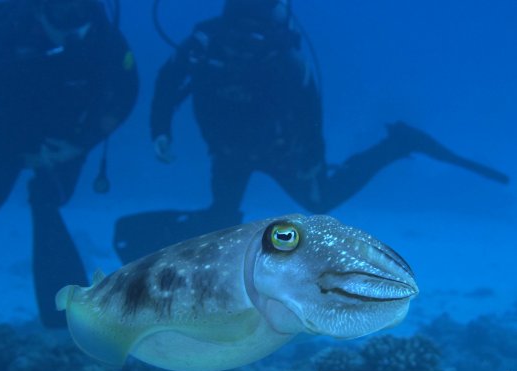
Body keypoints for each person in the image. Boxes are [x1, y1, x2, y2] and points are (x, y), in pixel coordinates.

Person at [148, 0, 508, 229]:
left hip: (279, 151)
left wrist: (310, 159)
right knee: (223, 217)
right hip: (227, 151)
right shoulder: (204, 44)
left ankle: (397, 144)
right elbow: (168, 81)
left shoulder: (286, 58)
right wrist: (160, 129)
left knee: (320, 200)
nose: (245, 41)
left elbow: (309, 115)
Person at [0, 0, 139, 327]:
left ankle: (64, 317)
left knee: (48, 199)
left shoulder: (104, 39)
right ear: (40, 10)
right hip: (3, 134)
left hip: (67, 139)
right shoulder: (5, 36)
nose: (71, 25)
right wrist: (16, 146)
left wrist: (82, 143)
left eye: (80, 12)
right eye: (61, 12)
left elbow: (126, 92)